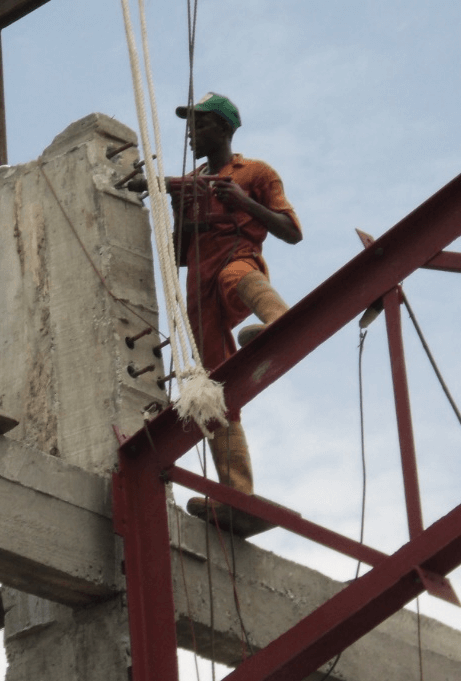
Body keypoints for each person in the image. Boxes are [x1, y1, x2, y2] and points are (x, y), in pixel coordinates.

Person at [171, 92, 303, 536]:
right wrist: (177, 207)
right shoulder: (191, 182)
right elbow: (178, 257)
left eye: (201, 124)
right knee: (213, 391)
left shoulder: (255, 173)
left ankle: (279, 321)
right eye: (191, 124)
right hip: (198, 293)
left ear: (224, 130)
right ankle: (237, 497)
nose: (192, 131)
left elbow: (291, 231)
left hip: (233, 259)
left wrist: (241, 201)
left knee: (237, 277)